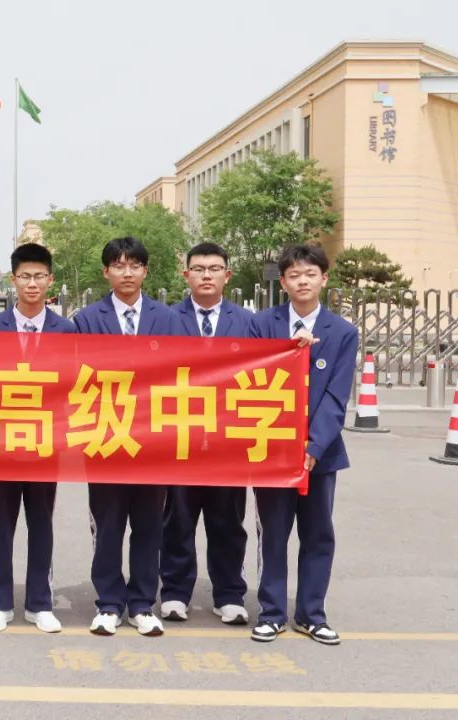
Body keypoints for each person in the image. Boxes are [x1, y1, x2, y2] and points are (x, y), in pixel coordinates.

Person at [250, 244, 357, 646]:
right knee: (273, 534)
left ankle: (312, 614)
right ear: (283, 282)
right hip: (273, 449)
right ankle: (272, 613)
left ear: (324, 279)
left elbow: (336, 397)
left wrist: (314, 446)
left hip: (320, 456)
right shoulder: (263, 324)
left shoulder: (342, 332)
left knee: (317, 534)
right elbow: (254, 383)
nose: (302, 282)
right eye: (294, 275)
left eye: (310, 274)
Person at [73, 236, 175, 637]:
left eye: (134, 265)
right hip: (105, 437)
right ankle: (109, 603)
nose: (127, 272)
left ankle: (142, 604)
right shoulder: (87, 319)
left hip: (153, 440)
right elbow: (75, 375)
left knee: (149, 526)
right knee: (108, 525)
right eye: (118, 265)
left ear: (145, 271)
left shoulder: (167, 319)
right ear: (106, 272)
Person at [0, 243, 74, 634]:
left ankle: (39, 602)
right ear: (13, 280)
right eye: (25, 276)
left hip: (46, 441)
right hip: (2, 440)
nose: (32, 283)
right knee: (1, 524)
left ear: (50, 280)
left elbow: (71, 382)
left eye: (39, 276)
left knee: (41, 522)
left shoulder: (65, 329)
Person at [159, 242, 254, 626]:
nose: (206, 275)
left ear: (227, 275)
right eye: (198, 269)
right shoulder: (166, 319)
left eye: (214, 269)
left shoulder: (248, 322)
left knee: (227, 521)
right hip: (180, 437)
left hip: (229, 441)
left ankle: (229, 594)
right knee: (177, 520)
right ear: (186, 275)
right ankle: (175, 592)